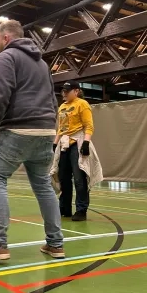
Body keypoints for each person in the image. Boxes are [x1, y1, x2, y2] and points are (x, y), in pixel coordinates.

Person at [0, 20, 65, 262]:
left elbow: (0, 96)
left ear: (6, 38)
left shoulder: (5, 58)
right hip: (44, 132)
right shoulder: (42, 64)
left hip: (18, 129)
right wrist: (50, 128)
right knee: (43, 185)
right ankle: (55, 244)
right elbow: (53, 101)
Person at [50, 81, 103, 221]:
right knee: (63, 178)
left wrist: (86, 143)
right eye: (63, 91)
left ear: (76, 91)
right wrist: (55, 144)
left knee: (79, 178)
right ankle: (65, 208)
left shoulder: (82, 104)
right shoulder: (62, 107)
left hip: (77, 142)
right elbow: (61, 128)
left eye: (67, 91)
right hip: (63, 144)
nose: (64, 93)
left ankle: (81, 209)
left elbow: (88, 125)